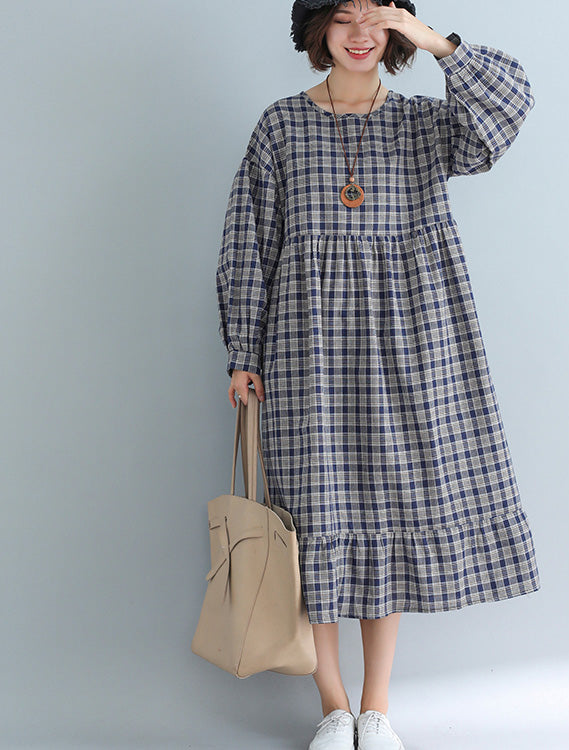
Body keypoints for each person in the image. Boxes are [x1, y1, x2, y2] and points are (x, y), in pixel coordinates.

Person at [216, 1, 540, 747]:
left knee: (388, 514)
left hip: (410, 349)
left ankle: (377, 707)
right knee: (315, 520)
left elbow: (506, 111)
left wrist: (436, 41)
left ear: (396, 30)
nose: (359, 35)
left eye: (377, 18)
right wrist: (242, 351)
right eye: (343, 18)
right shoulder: (280, 127)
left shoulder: (425, 125)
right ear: (316, 30)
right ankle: (333, 706)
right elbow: (247, 240)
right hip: (307, 352)